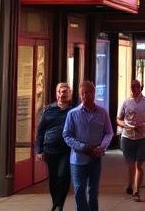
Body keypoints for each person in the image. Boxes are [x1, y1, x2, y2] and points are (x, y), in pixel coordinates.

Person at [62, 80, 114, 211]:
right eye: (83, 93)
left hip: (95, 158)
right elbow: (67, 135)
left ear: (94, 93)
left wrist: (102, 146)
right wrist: (82, 147)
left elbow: (109, 132)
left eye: (88, 92)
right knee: (79, 190)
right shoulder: (73, 114)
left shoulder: (102, 113)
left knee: (93, 191)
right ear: (80, 95)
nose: (85, 95)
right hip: (78, 160)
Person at [116, 79, 145, 202]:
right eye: (133, 87)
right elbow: (118, 119)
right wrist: (125, 125)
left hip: (142, 138)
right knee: (131, 165)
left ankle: (136, 190)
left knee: (138, 165)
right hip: (127, 137)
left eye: (137, 87)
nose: (135, 89)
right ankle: (130, 184)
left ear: (140, 88)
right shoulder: (126, 102)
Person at [36, 82, 73, 211]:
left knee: (63, 176)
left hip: (67, 150)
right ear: (56, 94)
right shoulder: (48, 110)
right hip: (50, 150)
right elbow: (40, 131)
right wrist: (39, 150)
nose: (62, 94)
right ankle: (56, 202)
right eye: (60, 91)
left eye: (65, 91)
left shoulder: (74, 111)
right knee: (53, 179)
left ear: (70, 94)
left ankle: (59, 204)